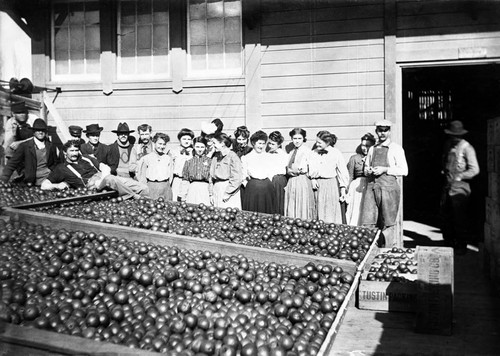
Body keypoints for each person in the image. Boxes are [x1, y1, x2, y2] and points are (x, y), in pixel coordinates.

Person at [41, 140, 149, 200]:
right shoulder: (61, 168)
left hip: (104, 178)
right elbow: (44, 185)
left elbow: (104, 167)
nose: (74, 153)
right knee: (112, 179)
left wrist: (103, 177)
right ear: (65, 153)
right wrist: (57, 186)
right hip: (92, 187)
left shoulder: (86, 157)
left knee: (142, 187)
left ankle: (142, 196)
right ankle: (135, 197)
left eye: (76, 150)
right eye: (71, 151)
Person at [361, 120, 408, 246]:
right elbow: (365, 169)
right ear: (376, 131)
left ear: (389, 131)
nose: (382, 133)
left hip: (388, 188)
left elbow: (404, 170)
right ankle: (369, 252)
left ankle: (387, 251)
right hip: (372, 187)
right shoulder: (372, 149)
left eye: (385, 130)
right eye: (380, 130)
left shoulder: (396, 149)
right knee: (368, 222)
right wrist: (368, 170)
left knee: (388, 222)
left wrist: (385, 169)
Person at [440, 120, 479, 254]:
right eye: (452, 135)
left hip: (460, 186)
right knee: (446, 215)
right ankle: (449, 243)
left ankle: (461, 246)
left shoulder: (467, 148)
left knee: (459, 217)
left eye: (456, 135)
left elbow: (475, 169)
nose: (454, 138)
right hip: (448, 184)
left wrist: (460, 176)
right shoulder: (448, 145)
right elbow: (445, 161)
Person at [1, 118, 59, 185]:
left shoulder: (51, 146)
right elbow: (12, 163)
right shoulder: (25, 146)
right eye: (38, 130)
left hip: (47, 180)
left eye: (43, 130)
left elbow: (55, 163)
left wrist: (52, 173)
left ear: (46, 132)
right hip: (31, 180)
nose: (40, 132)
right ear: (33, 132)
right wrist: (4, 179)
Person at [309, 131, 349, 224]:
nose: (317, 144)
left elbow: (342, 171)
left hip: (331, 184)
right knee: (318, 208)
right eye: (316, 142)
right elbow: (310, 167)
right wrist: (313, 179)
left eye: (319, 142)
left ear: (327, 142)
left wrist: (343, 189)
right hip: (317, 185)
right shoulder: (313, 153)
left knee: (330, 209)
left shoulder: (335, 153)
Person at [284, 128, 316, 220]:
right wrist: (288, 171)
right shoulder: (291, 152)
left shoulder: (307, 151)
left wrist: (313, 178)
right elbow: (288, 166)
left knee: (302, 203)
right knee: (292, 203)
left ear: (303, 139)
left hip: (302, 180)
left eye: (299, 138)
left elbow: (312, 167)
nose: (297, 141)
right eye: (295, 138)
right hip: (292, 181)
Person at [241, 131, 275, 213]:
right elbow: (243, 175)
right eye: (259, 143)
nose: (261, 146)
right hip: (253, 189)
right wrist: (250, 186)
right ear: (253, 143)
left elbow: (271, 172)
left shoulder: (268, 157)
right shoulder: (246, 158)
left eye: (263, 144)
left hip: (267, 188)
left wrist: (268, 183)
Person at [346, 133, 376, 225]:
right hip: (357, 187)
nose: (365, 148)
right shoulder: (354, 158)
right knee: (356, 209)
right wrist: (346, 191)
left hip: (370, 185)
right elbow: (350, 176)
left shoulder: (375, 158)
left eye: (368, 146)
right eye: (363, 145)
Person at [210, 132, 243, 209]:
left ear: (222, 143)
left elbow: (237, 178)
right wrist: (211, 193)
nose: (213, 145)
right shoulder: (215, 157)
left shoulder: (233, 156)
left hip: (228, 189)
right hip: (216, 189)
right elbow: (211, 176)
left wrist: (228, 193)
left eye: (214, 143)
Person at [136, 133, 173, 201]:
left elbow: (171, 175)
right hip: (151, 187)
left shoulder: (168, 158)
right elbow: (142, 176)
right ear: (154, 143)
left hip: (165, 187)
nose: (161, 146)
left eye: (164, 144)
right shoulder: (146, 158)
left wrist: (166, 186)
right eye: (159, 144)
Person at [180, 136, 212, 205]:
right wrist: (183, 196)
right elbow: (185, 180)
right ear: (194, 147)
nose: (199, 149)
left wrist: (211, 194)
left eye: (202, 147)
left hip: (205, 189)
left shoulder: (210, 161)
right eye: (197, 147)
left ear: (206, 147)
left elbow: (211, 179)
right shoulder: (189, 162)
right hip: (192, 189)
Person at [267, 131, 288, 215]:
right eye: (269, 143)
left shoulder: (283, 155)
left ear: (279, 145)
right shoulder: (268, 154)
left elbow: (283, 170)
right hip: (269, 180)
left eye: (273, 144)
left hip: (278, 181)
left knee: (278, 202)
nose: (270, 146)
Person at [170, 128, 195, 201]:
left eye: (189, 139)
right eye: (184, 139)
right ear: (179, 140)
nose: (186, 141)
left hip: (189, 181)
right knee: (175, 199)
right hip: (177, 179)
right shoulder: (173, 151)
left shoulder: (193, 152)